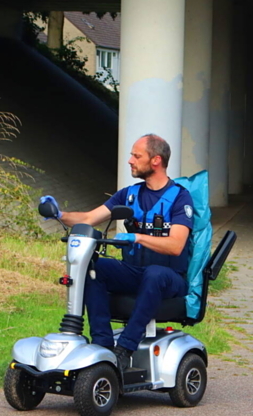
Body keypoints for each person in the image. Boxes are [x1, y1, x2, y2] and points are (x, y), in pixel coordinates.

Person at [40, 134, 193, 371]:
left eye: (136, 155)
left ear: (156, 160)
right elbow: (90, 218)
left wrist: (137, 236)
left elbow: (176, 245)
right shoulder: (129, 194)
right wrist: (59, 214)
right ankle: (102, 346)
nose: (130, 160)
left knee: (154, 273)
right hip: (136, 273)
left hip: (170, 279)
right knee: (94, 267)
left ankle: (125, 348)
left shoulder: (180, 197)